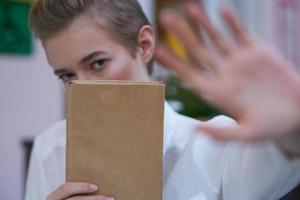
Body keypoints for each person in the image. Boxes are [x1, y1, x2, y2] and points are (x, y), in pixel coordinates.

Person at [25, 0, 300, 200]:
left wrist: (292, 119)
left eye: (98, 63)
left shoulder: (215, 145)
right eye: (66, 76)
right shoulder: (49, 150)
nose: (81, 87)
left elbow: (285, 157)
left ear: (143, 45)